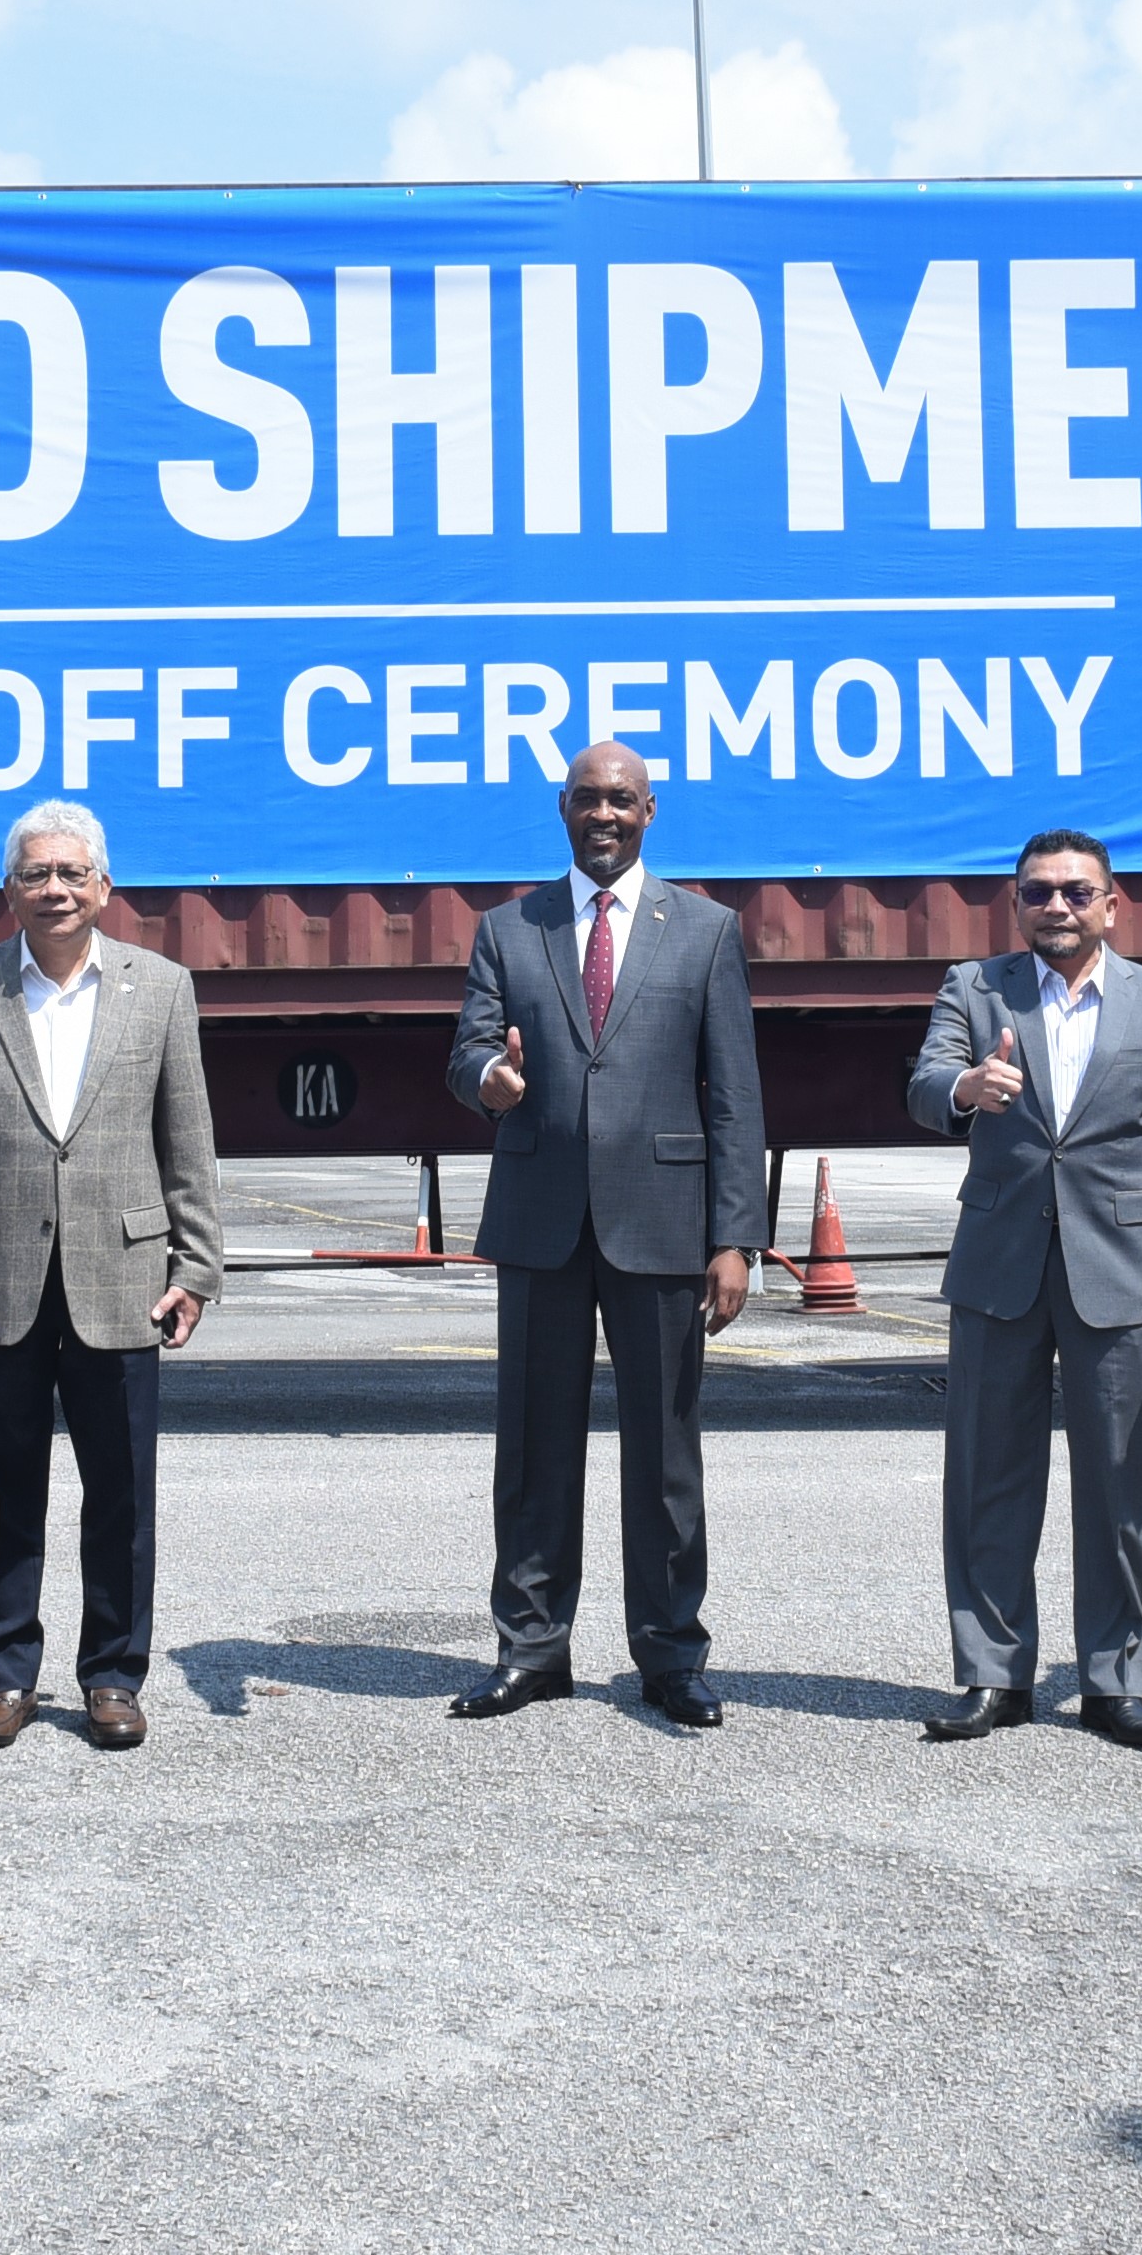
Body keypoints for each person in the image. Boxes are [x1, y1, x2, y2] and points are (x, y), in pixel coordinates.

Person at [442, 739, 769, 1729]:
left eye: (622, 799)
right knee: (532, 1451)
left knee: (664, 1456)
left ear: (649, 810)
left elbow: (735, 1096)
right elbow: (468, 1051)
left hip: (664, 1223)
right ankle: (532, 1647)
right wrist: (490, 1080)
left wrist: (735, 1236)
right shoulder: (510, 927)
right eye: (588, 797)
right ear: (563, 807)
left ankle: (670, 1654)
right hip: (541, 1220)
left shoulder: (705, 930)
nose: (605, 814)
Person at [0, 799, 224, 1754]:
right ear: (9, 890)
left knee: (122, 1496)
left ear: (105, 887)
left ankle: (113, 1676)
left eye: (73, 873)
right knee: (5, 1491)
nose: (56, 889)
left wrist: (198, 1266)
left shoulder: (161, 989)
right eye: (36, 874)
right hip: (2, 1275)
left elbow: (188, 1141)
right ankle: (5, 1675)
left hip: (122, 1276)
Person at [903, 830, 1142, 1751]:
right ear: (1016, 904)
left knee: (1118, 1486)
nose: (1057, 906)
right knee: (987, 1478)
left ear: (1111, 904)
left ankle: (1116, 1682)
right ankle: (994, 1675)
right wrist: (966, 1086)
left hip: (1117, 1270)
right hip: (999, 1264)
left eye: (1077, 892)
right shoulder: (975, 988)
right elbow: (924, 1084)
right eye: (1038, 892)